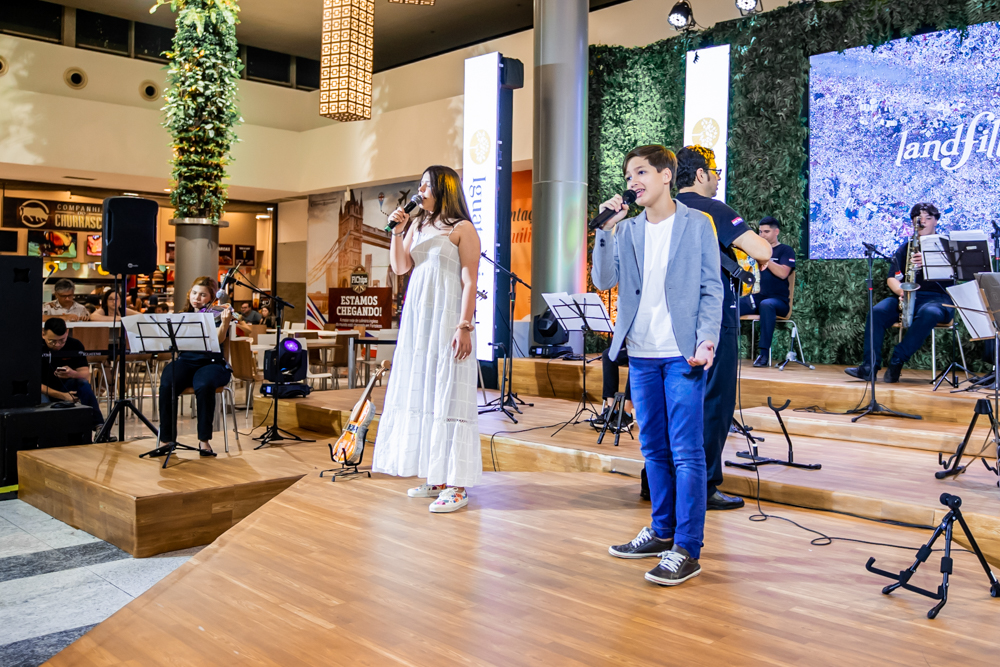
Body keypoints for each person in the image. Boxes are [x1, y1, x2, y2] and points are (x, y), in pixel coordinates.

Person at [594, 144, 723, 587]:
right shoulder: (626, 230)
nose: (634, 182)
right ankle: (662, 530)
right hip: (642, 353)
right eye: (629, 175)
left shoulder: (697, 223)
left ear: (667, 175)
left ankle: (687, 547)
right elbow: (603, 281)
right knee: (654, 450)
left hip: (682, 351)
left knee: (687, 452)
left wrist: (707, 339)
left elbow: (712, 288)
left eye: (642, 172)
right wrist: (604, 230)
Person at [372, 165, 482, 513]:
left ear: (444, 189)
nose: (420, 191)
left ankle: (457, 484)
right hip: (419, 319)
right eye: (419, 185)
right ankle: (435, 474)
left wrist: (464, 325)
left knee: (449, 391)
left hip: (448, 317)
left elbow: (469, 280)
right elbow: (402, 267)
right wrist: (396, 231)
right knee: (424, 387)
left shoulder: (462, 228)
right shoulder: (417, 224)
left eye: (426, 185)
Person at [675, 145, 772, 512]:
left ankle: (661, 481)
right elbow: (761, 250)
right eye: (714, 172)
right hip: (714, 317)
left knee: (677, 404)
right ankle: (705, 485)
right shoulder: (713, 209)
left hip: (675, 318)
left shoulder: (665, 211)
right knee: (714, 402)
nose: (717, 180)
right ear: (700, 174)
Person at [845, 203, 953, 383]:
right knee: (877, 312)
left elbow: (957, 273)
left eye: (927, 218)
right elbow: (892, 278)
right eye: (917, 219)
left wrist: (929, 261)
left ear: (936, 221)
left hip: (938, 299)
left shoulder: (948, 247)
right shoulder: (906, 248)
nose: (922, 222)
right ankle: (869, 366)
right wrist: (900, 291)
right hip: (909, 296)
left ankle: (897, 359)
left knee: (929, 313)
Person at [157, 276, 233, 457]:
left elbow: (219, 339)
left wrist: (225, 322)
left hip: (213, 363)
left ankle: (204, 441)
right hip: (186, 361)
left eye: (203, 295)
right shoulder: (181, 316)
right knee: (167, 383)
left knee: (204, 384)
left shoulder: (216, 314)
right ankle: (166, 440)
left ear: (212, 297)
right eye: (195, 293)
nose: (197, 298)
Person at [739, 217, 796, 367]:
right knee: (732, 305)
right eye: (760, 231)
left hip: (779, 302)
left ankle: (763, 355)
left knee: (767, 304)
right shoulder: (753, 252)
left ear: (776, 231)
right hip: (757, 298)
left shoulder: (785, 250)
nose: (762, 235)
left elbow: (783, 273)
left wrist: (766, 259)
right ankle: (720, 350)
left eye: (766, 231)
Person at [41, 318, 104, 427]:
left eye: (62, 341)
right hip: (43, 389)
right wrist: (63, 396)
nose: (57, 345)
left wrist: (72, 374)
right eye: (52, 341)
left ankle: (99, 425)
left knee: (83, 384)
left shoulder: (74, 345)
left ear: (67, 333)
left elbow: (85, 375)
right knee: (40, 399)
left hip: (65, 385)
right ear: (43, 334)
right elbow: (32, 384)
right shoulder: (35, 347)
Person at [592, 346, 633, 431]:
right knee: (608, 355)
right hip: (632, 346)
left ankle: (626, 413)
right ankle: (612, 408)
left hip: (649, 350)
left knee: (636, 359)